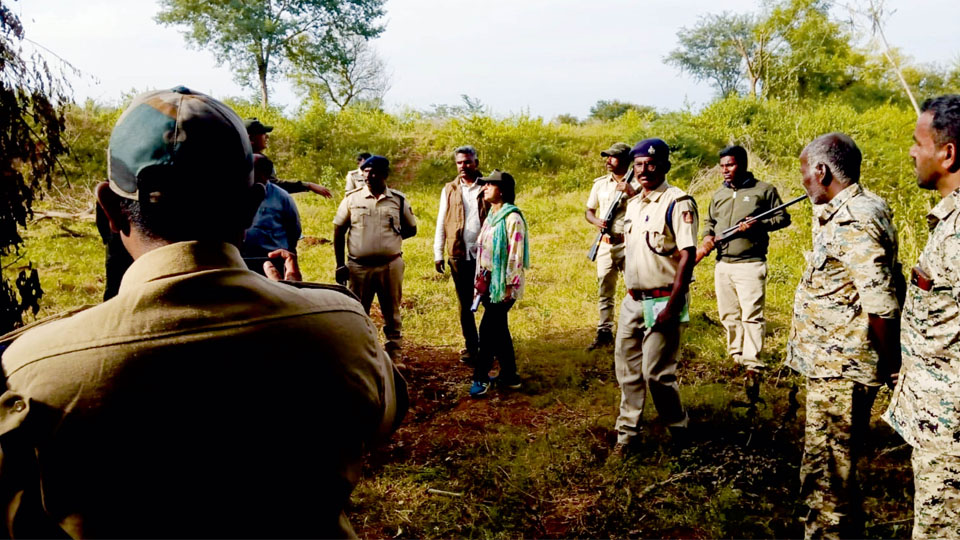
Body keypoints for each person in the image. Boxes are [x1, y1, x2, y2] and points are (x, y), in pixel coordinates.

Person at [0, 86, 406, 538]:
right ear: (252, 208)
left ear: (111, 212)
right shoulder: (343, 327)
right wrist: (299, 305)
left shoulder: (33, 367)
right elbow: (381, 418)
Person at [787, 133, 901, 539]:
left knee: (826, 477)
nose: (803, 183)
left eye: (805, 174)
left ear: (822, 171)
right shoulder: (850, 210)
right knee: (835, 471)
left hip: (842, 368)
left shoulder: (854, 218)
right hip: (835, 364)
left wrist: (892, 367)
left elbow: (881, 303)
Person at [884, 94, 960, 540]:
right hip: (937, 424)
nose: (912, 152)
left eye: (918, 142)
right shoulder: (946, 223)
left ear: (947, 153)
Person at [612, 138, 698, 455]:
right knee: (628, 372)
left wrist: (674, 306)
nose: (644, 170)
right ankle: (627, 436)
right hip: (632, 299)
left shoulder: (678, 202)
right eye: (638, 165)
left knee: (657, 374)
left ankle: (679, 430)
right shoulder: (634, 205)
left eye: (650, 164)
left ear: (664, 166)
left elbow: (687, 256)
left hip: (664, 299)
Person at [697, 145, 791, 373]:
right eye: (722, 166)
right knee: (728, 314)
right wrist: (707, 237)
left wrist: (759, 225)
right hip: (723, 263)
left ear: (743, 164)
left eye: (730, 165)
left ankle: (752, 360)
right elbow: (710, 221)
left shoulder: (764, 190)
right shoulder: (719, 194)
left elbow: (783, 218)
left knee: (752, 314)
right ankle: (736, 354)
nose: (725, 170)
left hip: (750, 263)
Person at [334, 155, 417, 364]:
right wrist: (340, 264)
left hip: (390, 266)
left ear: (385, 175)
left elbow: (411, 229)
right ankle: (360, 354)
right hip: (358, 267)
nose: (368, 176)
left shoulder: (397, 200)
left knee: (392, 312)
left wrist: (388, 243)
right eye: (365, 171)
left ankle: (394, 356)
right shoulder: (352, 199)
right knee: (358, 311)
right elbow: (338, 230)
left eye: (373, 172)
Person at [469, 170, 529, 397]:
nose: (485, 188)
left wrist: (507, 286)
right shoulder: (492, 217)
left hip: (502, 288)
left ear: (501, 190)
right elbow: (483, 251)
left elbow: (516, 256)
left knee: (487, 332)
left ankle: (481, 378)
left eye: (490, 185)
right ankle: (510, 376)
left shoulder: (512, 218)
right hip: (488, 284)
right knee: (500, 331)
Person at [433, 145, 489, 363]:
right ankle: (471, 348)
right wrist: (438, 252)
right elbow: (441, 221)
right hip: (459, 255)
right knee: (465, 304)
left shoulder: (488, 186)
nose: (463, 166)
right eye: (459, 162)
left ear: (476, 162)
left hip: (485, 256)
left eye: (467, 162)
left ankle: (488, 346)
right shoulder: (450, 189)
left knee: (488, 302)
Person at [585, 142, 633, 351]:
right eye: (608, 157)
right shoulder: (600, 184)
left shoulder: (638, 183)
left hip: (629, 243)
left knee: (635, 288)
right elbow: (589, 210)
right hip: (605, 243)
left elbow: (649, 206)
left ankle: (635, 331)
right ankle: (604, 331)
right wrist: (596, 222)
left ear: (624, 160)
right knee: (605, 288)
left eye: (613, 157)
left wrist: (632, 192)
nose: (608, 161)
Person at [241, 154, 302, 272]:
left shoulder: (282, 197)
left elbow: (294, 230)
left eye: (251, 170)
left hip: (272, 261)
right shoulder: (238, 193)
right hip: (243, 261)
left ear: (264, 174)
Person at [244, 117, 333, 198]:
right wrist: (308, 185)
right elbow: (273, 185)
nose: (267, 136)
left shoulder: (249, 157)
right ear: (251, 138)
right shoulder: (252, 161)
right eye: (263, 133)